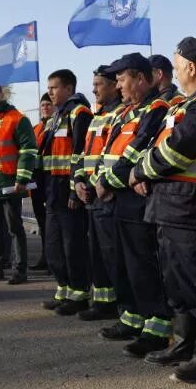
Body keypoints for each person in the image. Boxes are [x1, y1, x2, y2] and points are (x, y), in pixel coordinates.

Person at [131, 37, 196, 382]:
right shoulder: (185, 104)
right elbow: (157, 146)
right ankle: (184, 344)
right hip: (172, 206)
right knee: (177, 282)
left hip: (194, 208)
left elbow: (178, 149)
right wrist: (144, 169)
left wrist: (140, 171)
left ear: (191, 67)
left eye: (176, 66)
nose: (172, 72)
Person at [94, 54, 171, 356]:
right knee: (122, 263)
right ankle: (132, 317)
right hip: (116, 196)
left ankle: (157, 327)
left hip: (135, 199)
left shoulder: (156, 108)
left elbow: (138, 150)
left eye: (122, 78)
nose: (118, 85)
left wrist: (107, 182)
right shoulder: (125, 112)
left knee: (143, 264)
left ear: (140, 78)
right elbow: (107, 152)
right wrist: (102, 179)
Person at [73, 66, 125, 321]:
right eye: (92, 84)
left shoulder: (120, 115)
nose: (93, 89)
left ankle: (120, 306)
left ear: (115, 85)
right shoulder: (97, 116)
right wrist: (79, 181)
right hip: (92, 192)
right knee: (98, 253)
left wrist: (95, 184)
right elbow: (85, 154)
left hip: (108, 194)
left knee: (112, 253)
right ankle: (103, 302)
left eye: (99, 84)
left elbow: (113, 157)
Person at [39, 70, 93, 314]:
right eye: (49, 88)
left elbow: (80, 153)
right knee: (54, 247)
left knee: (73, 247)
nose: (50, 92)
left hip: (67, 191)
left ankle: (79, 294)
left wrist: (74, 192)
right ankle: (63, 290)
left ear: (69, 89)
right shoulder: (55, 117)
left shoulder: (79, 113)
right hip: (52, 190)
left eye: (55, 87)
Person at [0, 82, 37, 285]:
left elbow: (28, 151)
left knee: (14, 229)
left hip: (8, 183)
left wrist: (22, 179)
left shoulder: (17, 118)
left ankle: (19, 270)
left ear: (2, 95)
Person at [30, 93, 54, 271]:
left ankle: (53, 258)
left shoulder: (59, 125)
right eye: (43, 104)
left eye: (49, 104)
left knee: (52, 222)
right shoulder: (36, 128)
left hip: (52, 179)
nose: (45, 107)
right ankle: (46, 257)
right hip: (37, 180)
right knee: (42, 221)